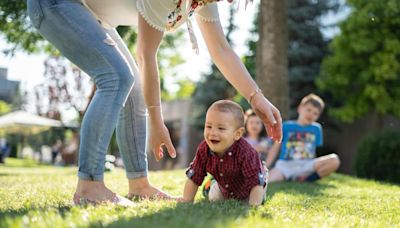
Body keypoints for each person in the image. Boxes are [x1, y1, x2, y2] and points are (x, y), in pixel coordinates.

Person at [27, 0, 282, 206]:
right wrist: (157, 122)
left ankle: (139, 185)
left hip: (92, 14)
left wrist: (255, 97)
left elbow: (221, 50)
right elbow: (146, 55)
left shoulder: (205, 1)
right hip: (57, 5)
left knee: (134, 86)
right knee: (117, 77)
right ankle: (89, 186)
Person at [182, 100, 268, 206]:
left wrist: (254, 207)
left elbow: (256, 181)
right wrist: (186, 201)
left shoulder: (246, 152)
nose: (213, 133)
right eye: (209, 126)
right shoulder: (204, 149)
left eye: (221, 128)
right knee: (215, 198)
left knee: (256, 199)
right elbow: (194, 176)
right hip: (225, 187)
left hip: (250, 188)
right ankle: (210, 185)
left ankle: (213, 184)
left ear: (237, 134)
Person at [266, 94, 340, 183]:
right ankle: (290, 176)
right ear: (300, 108)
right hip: (285, 165)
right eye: (308, 110)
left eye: (315, 113)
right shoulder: (286, 126)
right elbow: (275, 148)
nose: (311, 114)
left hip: (307, 165)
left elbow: (313, 150)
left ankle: (306, 179)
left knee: (334, 160)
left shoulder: (317, 129)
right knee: (268, 180)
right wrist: (267, 166)